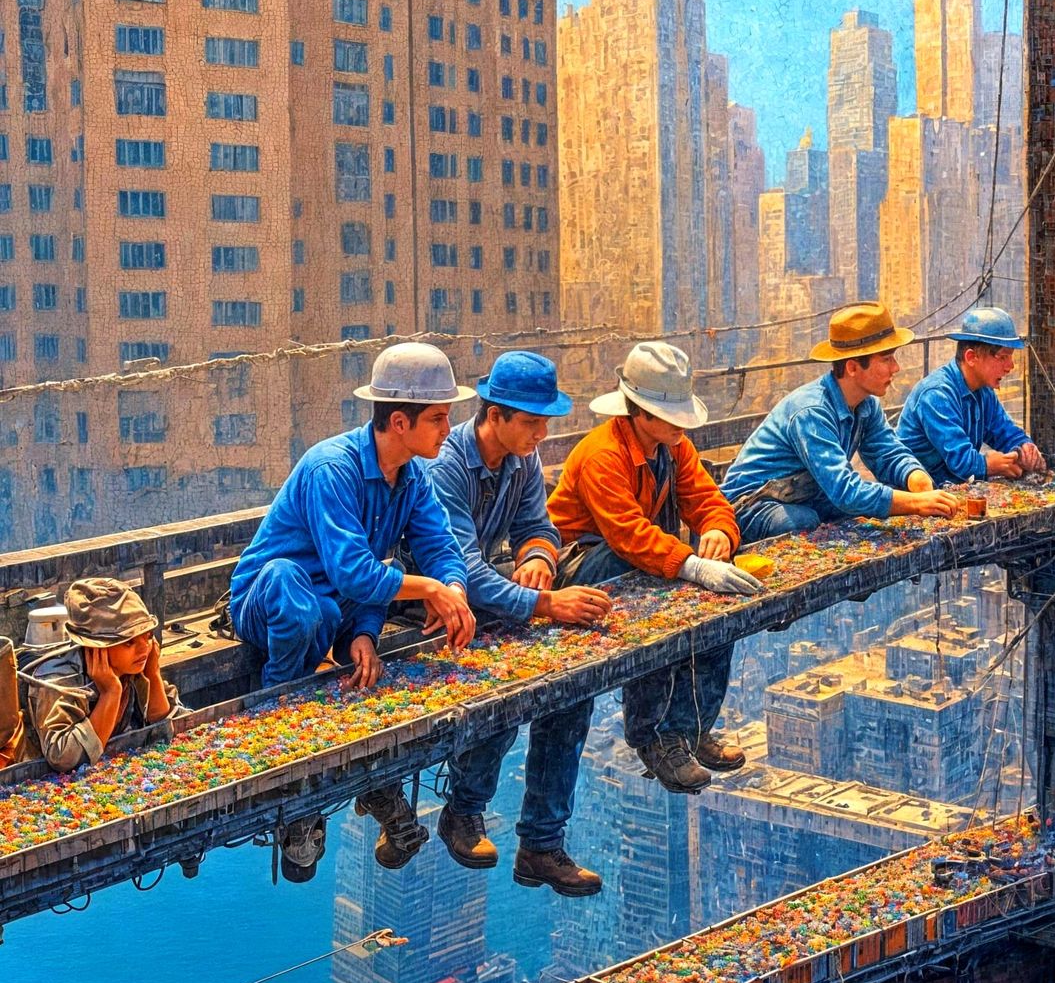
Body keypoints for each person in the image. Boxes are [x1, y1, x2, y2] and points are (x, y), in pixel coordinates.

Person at [229, 341, 479, 874]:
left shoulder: (411, 478)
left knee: (359, 664)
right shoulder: (331, 468)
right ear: (399, 422)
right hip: (273, 602)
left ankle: (371, 782)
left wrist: (445, 592)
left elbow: (438, 548)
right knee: (294, 595)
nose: (446, 429)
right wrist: (428, 591)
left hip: (338, 609)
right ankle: (284, 731)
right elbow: (354, 571)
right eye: (438, 418)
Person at [537, 342, 762, 891]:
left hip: (652, 562)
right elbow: (626, 536)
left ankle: (690, 729)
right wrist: (688, 564)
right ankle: (655, 737)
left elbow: (709, 499)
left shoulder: (672, 449)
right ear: (639, 414)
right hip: (590, 565)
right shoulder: (601, 454)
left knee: (715, 608)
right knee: (652, 603)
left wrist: (716, 533)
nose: (677, 426)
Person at [422, 351, 612, 885]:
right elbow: (459, 568)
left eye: (544, 422)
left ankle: (543, 843)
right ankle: (463, 808)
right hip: (426, 599)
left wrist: (536, 556)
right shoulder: (447, 465)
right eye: (530, 422)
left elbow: (539, 524)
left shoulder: (523, 460)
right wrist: (548, 604)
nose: (539, 433)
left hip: (485, 595)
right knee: (503, 690)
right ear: (494, 415)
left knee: (571, 687)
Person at [721, 301, 963, 540]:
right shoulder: (811, 411)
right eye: (886, 359)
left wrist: (917, 478)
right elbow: (845, 491)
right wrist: (916, 504)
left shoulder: (866, 404)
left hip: (804, 494)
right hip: (751, 505)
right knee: (804, 522)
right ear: (853, 367)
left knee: (864, 517)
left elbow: (888, 454)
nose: (896, 368)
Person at [24, 578, 181, 773]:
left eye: (147, 636)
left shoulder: (135, 667)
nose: (143, 648)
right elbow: (63, 758)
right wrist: (110, 694)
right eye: (129, 642)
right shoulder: (59, 679)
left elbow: (172, 727)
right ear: (97, 647)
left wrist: (153, 674)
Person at [895, 305, 1047, 485]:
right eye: (1003, 357)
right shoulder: (936, 394)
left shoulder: (984, 391)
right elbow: (960, 460)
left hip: (950, 489)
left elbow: (1003, 430)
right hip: (915, 494)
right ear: (971, 357)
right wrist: (990, 464)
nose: (1010, 367)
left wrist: (1024, 446)